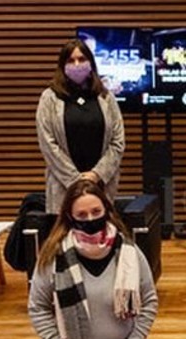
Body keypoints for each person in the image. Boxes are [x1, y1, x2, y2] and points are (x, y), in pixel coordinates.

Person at [28, 179, 158, 339]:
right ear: (70, 217)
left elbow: (150, 301)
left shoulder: (130, 252)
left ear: (107, 210)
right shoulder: (53, 256)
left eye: (96, 212)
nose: (90, 219)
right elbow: (38, 308)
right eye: (82, 215)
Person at [36, 38, 126, 212]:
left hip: (101, 186)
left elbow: (117, 141)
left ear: (90, 63)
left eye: (82, 59)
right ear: (62, 66)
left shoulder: (106, 97)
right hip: (63, 187)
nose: (77, 64)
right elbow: (48, 144)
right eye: (71, 60)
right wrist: (75, 180)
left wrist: (96, 175)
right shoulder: (49, 98)